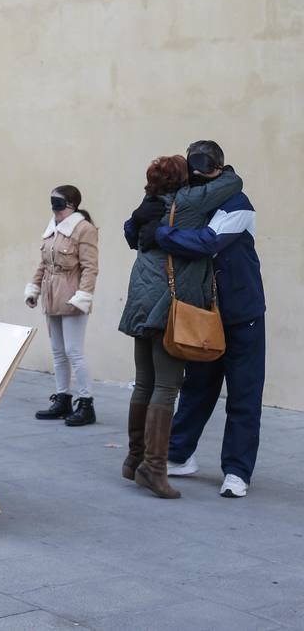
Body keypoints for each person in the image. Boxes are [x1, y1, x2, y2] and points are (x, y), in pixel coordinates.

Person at [119, 155, 242, 498]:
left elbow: (130, 231)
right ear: (183, 179)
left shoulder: (148, 205)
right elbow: (233, 184)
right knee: (166, 386)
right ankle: (155, 468)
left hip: (140, 299)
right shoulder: (185, 203)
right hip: (166, 305)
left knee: (144, 382)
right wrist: (219, 167)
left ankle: (133, 459)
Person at [155, 141, 266, 498]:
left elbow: (208, 242)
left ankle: (237, 471)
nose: (198, 178)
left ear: (219, 168)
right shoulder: (191, 199)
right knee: (197, 388)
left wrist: (160, 234)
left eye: (204, 171)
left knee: (243, 396)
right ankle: (178, 454)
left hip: (242, 314)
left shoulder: (238, 204)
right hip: (204, 312)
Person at [24, 185, 99, 426]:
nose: (53, 209)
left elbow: (90, 267)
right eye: (52, 203)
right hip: (51, 294)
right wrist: (34, 288)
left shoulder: (84, 229)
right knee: (57, 351)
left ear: (71, 206)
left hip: (72, 294)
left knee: (74, 351)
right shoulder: (52, 230)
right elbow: (43, 264)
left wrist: (83, 296)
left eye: (58, 204)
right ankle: (63, 398)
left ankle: (86, 402)